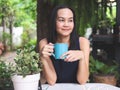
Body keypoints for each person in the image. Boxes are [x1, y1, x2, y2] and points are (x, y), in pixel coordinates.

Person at [39, 5, 90, 85]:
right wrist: (43, 57)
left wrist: (82, 57)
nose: (66, 24)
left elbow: (82, 81)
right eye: (61, 20)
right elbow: (52, 81)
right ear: (54, 22)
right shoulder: (45, 43)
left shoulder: (83, 42)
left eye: (70, 20)